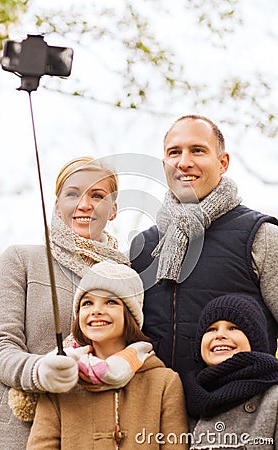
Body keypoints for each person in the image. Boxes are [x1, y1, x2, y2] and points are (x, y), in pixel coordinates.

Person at [0, 157, 129, 450]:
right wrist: (38, 371)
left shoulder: (127, 279)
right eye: (73, 194)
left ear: (113, 210)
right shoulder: (21, 260)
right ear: (58, 204)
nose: (84, 204)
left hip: (89, 433)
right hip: (15, 433)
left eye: (97, 196)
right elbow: (0, 347)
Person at [130, 114, 278, 382]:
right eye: (174, 152)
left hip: (239, 410)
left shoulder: (261, 236)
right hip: (157, 412)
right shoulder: (143, 246)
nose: (184, 162)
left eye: (197, 150)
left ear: (223, 163)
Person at [26, 261, 189, 450]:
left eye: (111, 302)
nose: (96, 310)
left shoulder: (164, 382)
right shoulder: (61, 377)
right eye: (87, 303)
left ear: (130, 314)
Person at [184, 294, 278, 450]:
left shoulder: (273, 398)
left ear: (255, 340)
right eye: (211, 329)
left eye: (234, 327)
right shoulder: (187, 398)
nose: (219, 335)